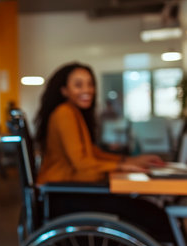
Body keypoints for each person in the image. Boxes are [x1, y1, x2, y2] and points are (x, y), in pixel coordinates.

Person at [34, 62, 164, 184]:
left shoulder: (74, 112)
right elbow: (81, 163)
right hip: (60, 189)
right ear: (64, 90)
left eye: (90, 84)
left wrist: (128, 160)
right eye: (78, 85)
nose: (87, 90)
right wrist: (122, 166)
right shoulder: (64, 112)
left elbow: (91, 153)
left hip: (68, 186)